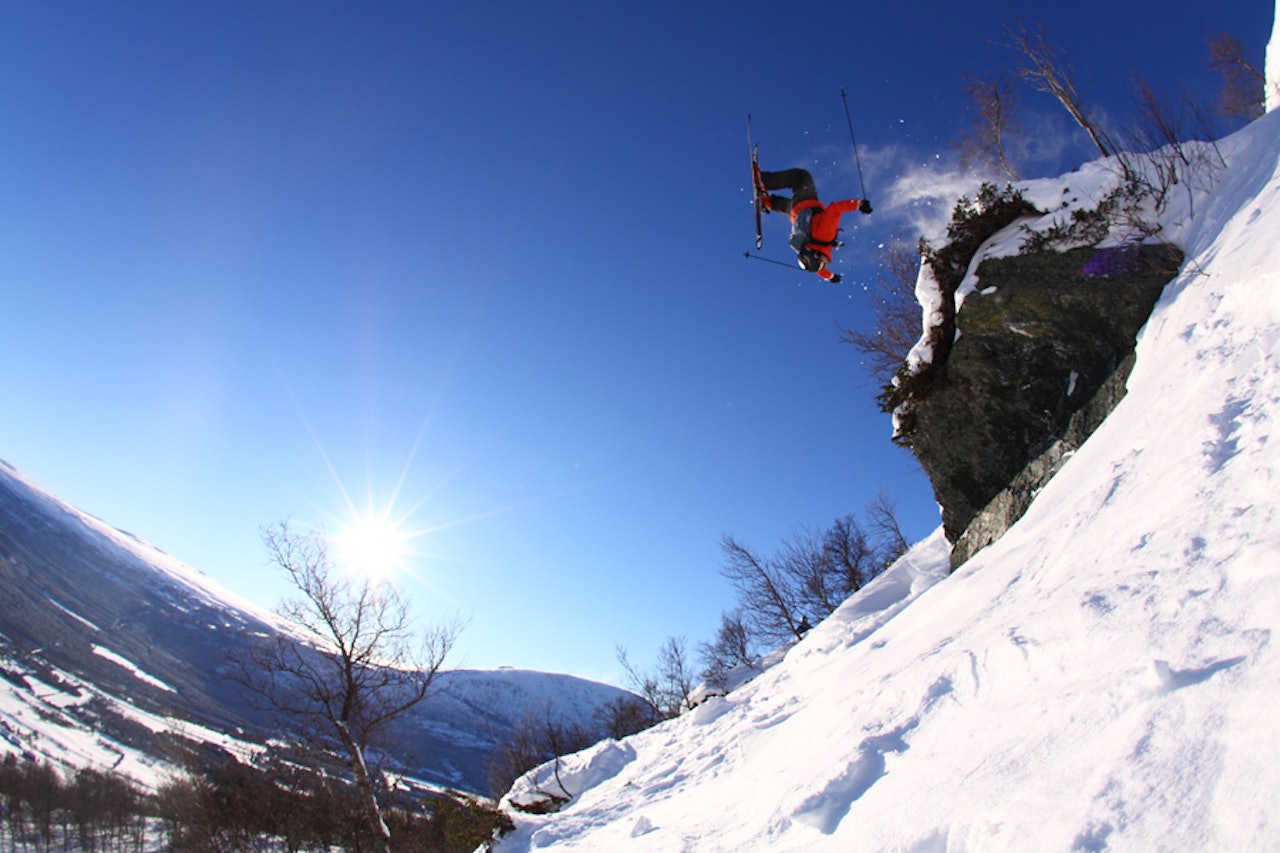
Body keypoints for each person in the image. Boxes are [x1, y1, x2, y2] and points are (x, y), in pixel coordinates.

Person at [755, 167, 871, 282]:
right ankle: (768, 202)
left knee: (801, 176)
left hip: (806, 205)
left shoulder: (826, 236)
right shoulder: (808, 249)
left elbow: (835, 209)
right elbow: (815, 268)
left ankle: (763, 180)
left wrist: (859, 205)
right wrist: (829, 276)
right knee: (790, 206)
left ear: (819, 257)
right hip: (797, 215)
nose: (826, 264)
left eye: (823, 263)